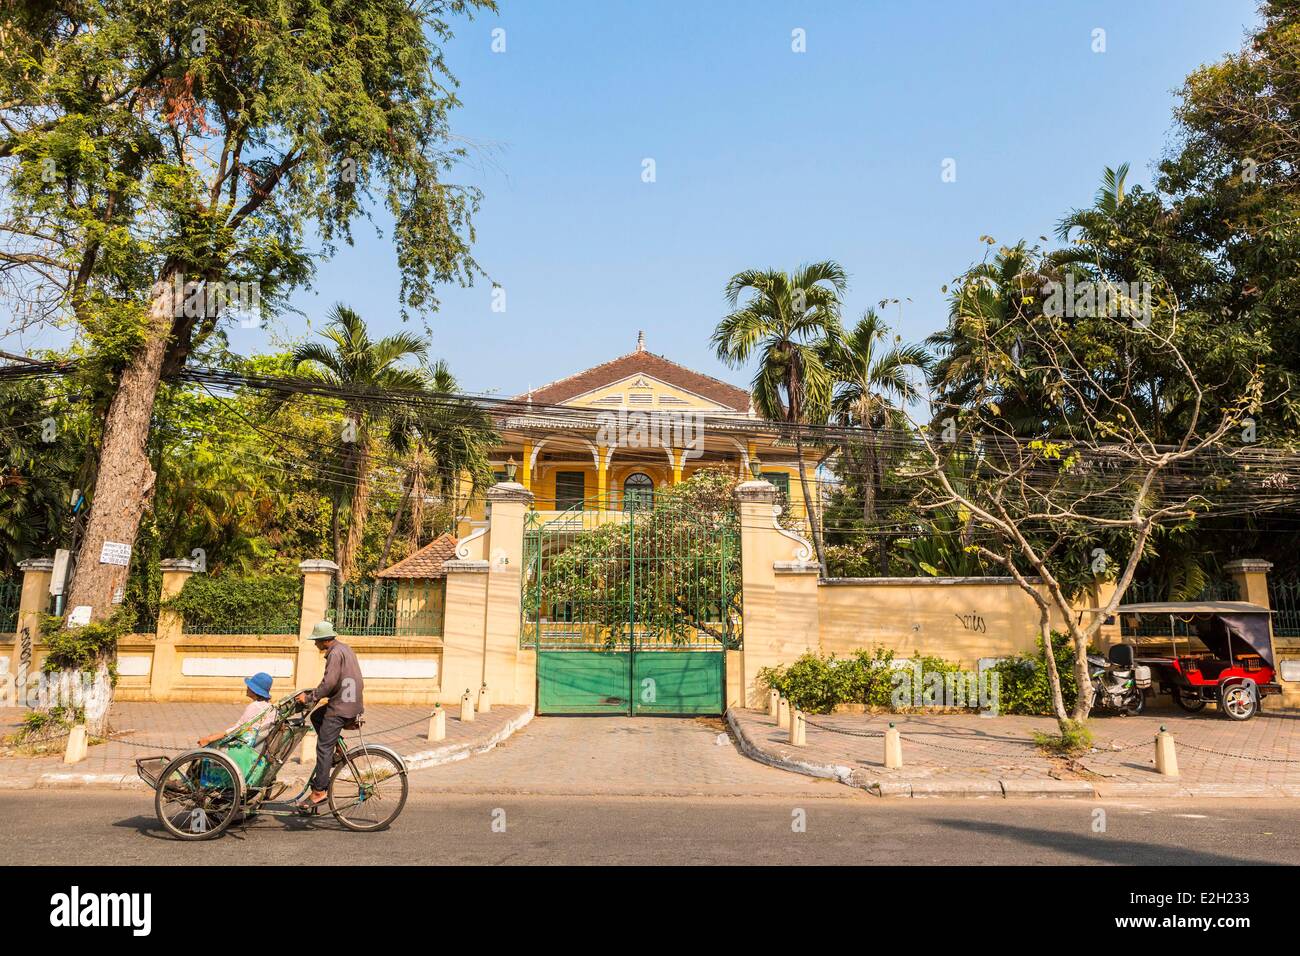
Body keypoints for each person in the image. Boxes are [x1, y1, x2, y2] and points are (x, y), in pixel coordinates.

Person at [294, 621, 364, 809]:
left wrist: (310, 697)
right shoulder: (345, 648)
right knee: (316, 717)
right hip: (352, 703)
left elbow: (329, 682)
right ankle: (339, 749)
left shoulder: (333, 653)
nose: (315, 644)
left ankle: (319, 791)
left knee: (323, 748)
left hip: (341, 707)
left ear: (325, 640)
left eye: (316, 640)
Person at [198, 672, 276, 784]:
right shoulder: (271, 708)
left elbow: (235, 730)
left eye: (250, 686)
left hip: (244, 747)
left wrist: (209, 739)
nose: (247, 688)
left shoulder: (254, 707)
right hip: (256, 745)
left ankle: (193, 781)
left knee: (207, 745)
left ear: (254, 691)